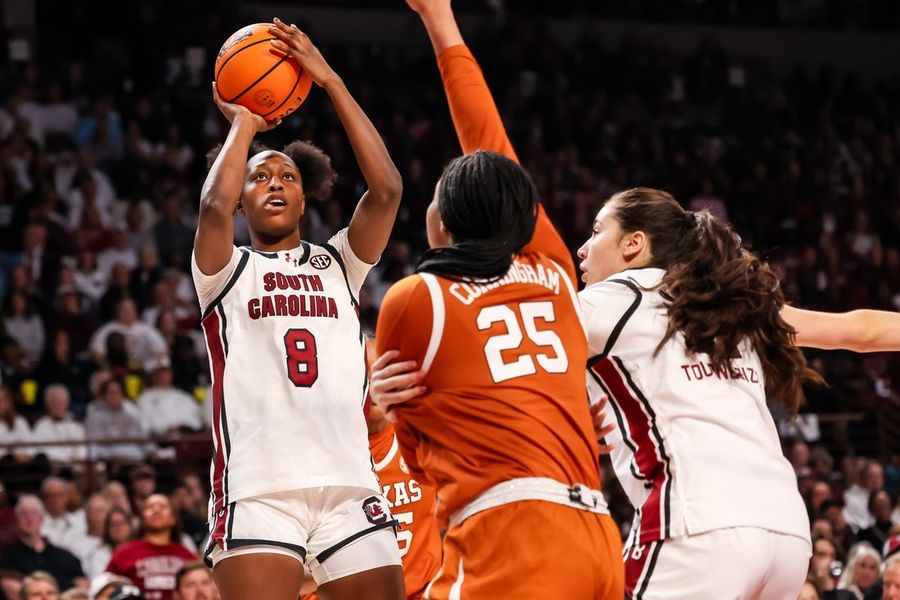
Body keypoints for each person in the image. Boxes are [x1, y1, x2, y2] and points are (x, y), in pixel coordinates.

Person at [370, 2, 623, 598]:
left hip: (508, 536)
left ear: (447, 220)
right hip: (595, 531)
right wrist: (442, 22)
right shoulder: (555, 271)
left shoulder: (416, 299)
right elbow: (494, 150)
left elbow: (414, 455)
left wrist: (387, 411)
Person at [193, 18, 403, 600]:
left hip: (347, 483)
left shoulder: (340, 263)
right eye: (260, 178)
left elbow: (386, 190)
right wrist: (244, 123)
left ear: (306, 194)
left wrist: (330, 80)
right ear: (243, 199)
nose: (276, 182)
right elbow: (212, 207)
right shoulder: (225, 270)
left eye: (287, 174)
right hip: (258, 488)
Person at [105, 494, 195, 600]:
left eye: (162, 506)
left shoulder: (187, 555)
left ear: (173, 519)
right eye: (150, 507)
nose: (156, 510)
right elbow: (105, 590)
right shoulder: (123, 553)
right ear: (142, 519)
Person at [0, 495, 86, 598]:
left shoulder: (65, 557)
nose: (29, 518)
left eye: (33, 513)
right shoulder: (8, 558)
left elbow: (82, 586)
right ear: (17, 519)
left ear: (42, 518)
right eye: (23, 514)